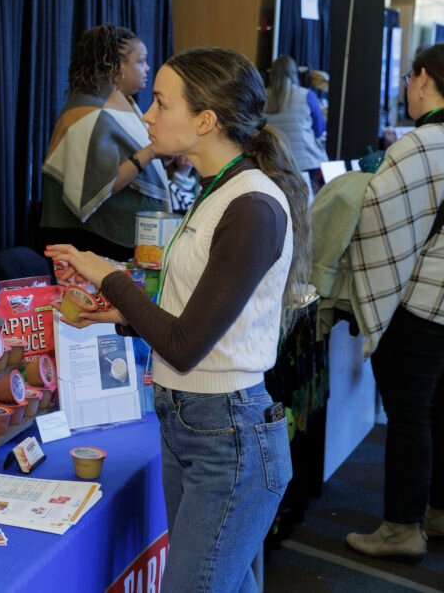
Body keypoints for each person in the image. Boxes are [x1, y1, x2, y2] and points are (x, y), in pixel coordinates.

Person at [46, 47, 311, 592]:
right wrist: (121, 315)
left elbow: (187, 344)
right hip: (192, 422)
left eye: (161, 103)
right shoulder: (220, 191)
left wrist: (109, 277)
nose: (147, 115)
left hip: (225, 433)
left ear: (206, 121)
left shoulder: (251, 205)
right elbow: (197, 315)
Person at [346, 43, 444, 561]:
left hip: (423, 301)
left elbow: (377, 216)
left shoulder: (421, 143)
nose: (408, 87)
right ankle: (436, 510)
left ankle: (402, 527)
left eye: (409, 77)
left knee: (409, 413)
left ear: (424, 79)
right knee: (438, 407)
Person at [41, 24, 169, 262]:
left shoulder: (120, 103)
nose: (147, 68)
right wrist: (151, 152)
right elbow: (95, 186)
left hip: (112, 239)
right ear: (117, 66)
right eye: (141, 61)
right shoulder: (90, 112)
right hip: (93, 240)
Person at [265, 55, 328, 192]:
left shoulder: (263, 97)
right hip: (305, 164)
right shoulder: (307, 95)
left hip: (273, 164)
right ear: (294, 73)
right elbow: (319, 131)